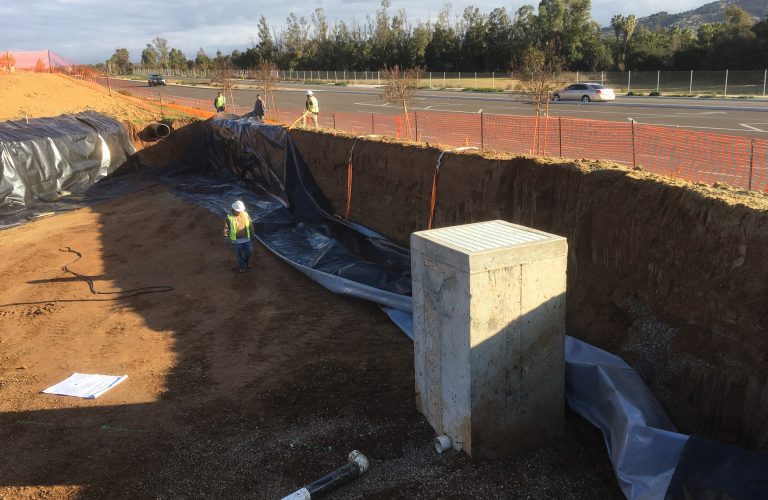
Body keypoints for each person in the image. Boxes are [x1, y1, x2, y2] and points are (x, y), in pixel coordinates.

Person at [224, 200, 253, 273]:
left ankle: (247, 262)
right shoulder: (229, 217)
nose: (240, 212)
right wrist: (226, 236)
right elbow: (226, 227)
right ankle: (242, 266)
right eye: (238, 210)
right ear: (235, 210)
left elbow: (250, 224)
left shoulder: (245, 214)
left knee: (249, 252)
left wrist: (252, 232)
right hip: (236, 241)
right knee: (239, 255)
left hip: (246, 239)